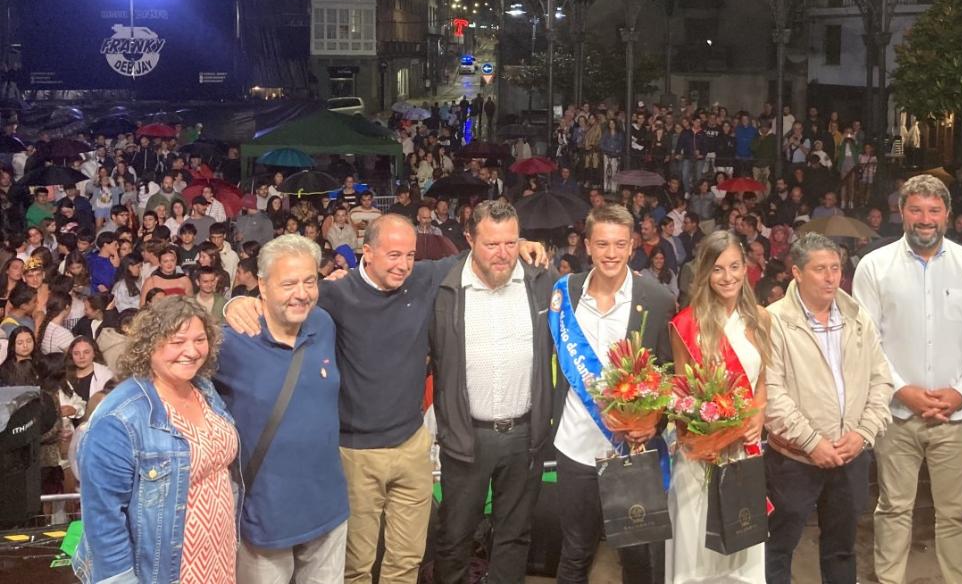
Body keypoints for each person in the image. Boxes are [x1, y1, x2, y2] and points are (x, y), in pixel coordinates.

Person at [224, 216, 547, 584]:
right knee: (357, 565)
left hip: (412, 447)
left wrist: (518, 245)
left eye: (409, 254)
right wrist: (235, 303)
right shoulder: (334, 294)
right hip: (357, 453)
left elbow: (483, 251)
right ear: (368, 252)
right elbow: (284, 297)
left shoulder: (421, 279)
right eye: (393, 255)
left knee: (406, 560)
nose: (403, 264)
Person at [853, 174, 962, 584]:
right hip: (896, 415)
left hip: (958, 417)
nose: (925, 219)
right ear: (901, 212)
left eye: (934, 211)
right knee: (893, 508)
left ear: (947, 216)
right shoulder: (874, 267)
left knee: (955, 514)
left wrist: (961, 392)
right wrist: (903, 390)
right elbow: (868, 340)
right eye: (916, 209)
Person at [429, 201, 557, 584]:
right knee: (454, 537)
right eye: (491, 244)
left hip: (524, 436)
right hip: (466, 436)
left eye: (510, 242)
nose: (502, 253)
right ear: (469, 239)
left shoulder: (541, 282)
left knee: (515, 536)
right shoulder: (442, 285)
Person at [74, 296, 238, 584]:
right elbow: (103, 519)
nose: (192, 350)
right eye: (177, 341)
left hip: (219, 560)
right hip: (165, 571)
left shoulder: (204, 389)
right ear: (149, 344)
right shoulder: (120, 417)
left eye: (200, 339)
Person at [213, 235, 348, 583]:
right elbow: (170, 343)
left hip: (328, 511)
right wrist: (229, 305)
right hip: (264, 521)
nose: (301, 293)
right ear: (262, 285)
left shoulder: (323, 324)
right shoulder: (231, 343)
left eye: (309, 281)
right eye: (288, 283)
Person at [552, 202, 675, 584]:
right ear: (587, 245)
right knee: (574, 553)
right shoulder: (564, 294)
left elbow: (670, 377)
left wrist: (655, 421)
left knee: (639, 560)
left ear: (632, 246)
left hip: (632, 451)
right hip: (575, 448)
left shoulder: (656, 300)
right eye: (602, 244)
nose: (611, 253)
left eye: (619, 244)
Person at [764, 233, 893, 584]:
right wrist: (811, 442)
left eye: (835, 268)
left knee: (841, 549)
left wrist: (863, 433)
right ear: (796, 273)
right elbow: (770, 393)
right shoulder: (773, 320)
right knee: (777, 547)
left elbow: (881, 380)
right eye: (820, 269)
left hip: (850, 456)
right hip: (793, 460)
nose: (830, 277)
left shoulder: (857, 317)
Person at [666, 229, 772, 583]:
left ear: (746, 268)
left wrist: (757, 412)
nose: (728, 277)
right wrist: (701, 441)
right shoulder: (686, 323)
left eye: (734, 267)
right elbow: (681, 392)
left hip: (744, 453)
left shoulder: (761, 318)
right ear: (704, 273)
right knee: (697, 558)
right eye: (717, 269)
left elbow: (761, 382)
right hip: (701, 458)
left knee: (742, 552)